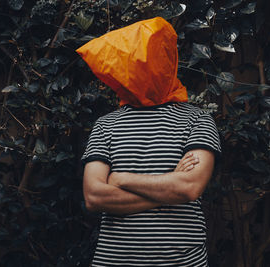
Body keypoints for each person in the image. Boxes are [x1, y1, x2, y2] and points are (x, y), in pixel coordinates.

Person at [77, 17, 221, 267]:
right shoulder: (105, 125)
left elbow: (188, 188)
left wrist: (122, 179)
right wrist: (168, 188)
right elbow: (94, 196)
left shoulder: (198, 120)